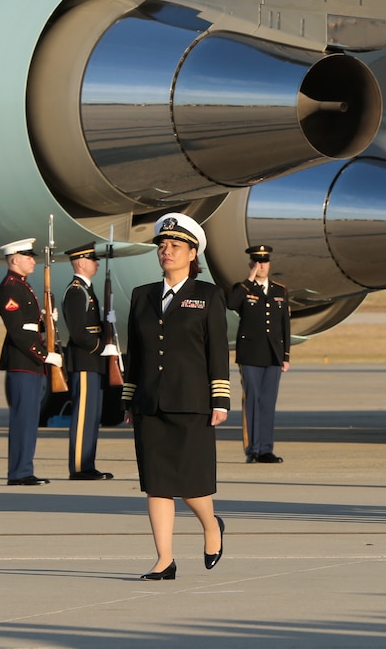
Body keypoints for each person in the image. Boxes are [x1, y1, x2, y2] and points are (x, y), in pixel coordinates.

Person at [122, 213, 230, 581]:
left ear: (192, 253)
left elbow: (217, 350)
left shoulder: (208, 295)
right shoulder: (141, 296)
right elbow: (133, 354)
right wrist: (129, 400)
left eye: (175, 246)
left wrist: (220, 398)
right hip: (149, 402)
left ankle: (211, 526)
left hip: (192, 402)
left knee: (190, 483)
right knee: (157, 483)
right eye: (162, 246)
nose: (166, 251)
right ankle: (164, 560)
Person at [0, 237, 61, 486]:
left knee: (30, 419)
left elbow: (30, 324)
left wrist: (47, 320)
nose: (33, 261)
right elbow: (18, 331)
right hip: (23, 360)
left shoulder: (23, 286)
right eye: (28, 257)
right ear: (14, 260)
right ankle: (19, 472)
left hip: (31, 362)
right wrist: (44, 355)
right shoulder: (11, 288)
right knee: (23, 419)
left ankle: (24, 469)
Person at [227, 244, 290, 464]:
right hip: (250, 354)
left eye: (264, 262)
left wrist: (286, 356)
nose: (261, 266)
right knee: (252, 400)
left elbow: (285, 325)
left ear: (269, 264)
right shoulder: (243, 289)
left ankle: (266, 449)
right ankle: (252, 449)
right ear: (251, 264)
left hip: (273, 354)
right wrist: (248, 280)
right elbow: (231, 303)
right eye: (257, 262)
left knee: (268, 402)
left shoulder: (279, 290)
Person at [63, 243, 115, 481]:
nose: (97, 263)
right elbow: (77, 332)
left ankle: (87, 463)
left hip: (92, 361)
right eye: (93, 259)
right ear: (81, 263)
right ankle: (79, 467)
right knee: (83, 415)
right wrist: (101, 347)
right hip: (85, 359)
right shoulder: (76, 291)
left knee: (93, 415)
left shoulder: (87, 290)